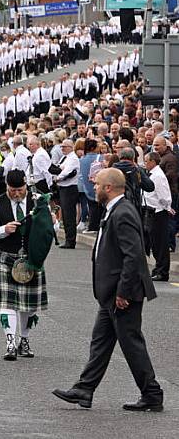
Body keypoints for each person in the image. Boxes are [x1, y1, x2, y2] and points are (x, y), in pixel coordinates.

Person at [53, 168, 163, 412]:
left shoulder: (122, 212)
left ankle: (152, 393)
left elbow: (133, 256)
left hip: (122, 294)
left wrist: (123, 292)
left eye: (97, 184)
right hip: (111, 294)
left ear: (108, 188)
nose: (94, 187)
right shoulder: (114, 210)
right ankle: (84, 388)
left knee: (131, 344)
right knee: (100, 343)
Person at [0, 170, 51, 360]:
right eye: (13, 190)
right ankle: (10, 342)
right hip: (6, 257)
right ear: (7, 187)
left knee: (28, 306)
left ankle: (25, 339)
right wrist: (4, 229)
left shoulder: (38, 201)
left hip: (31, 259)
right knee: (7, 302)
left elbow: (51, 229)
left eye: (20, 189)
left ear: (25, 187)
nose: (17, 194)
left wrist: (50, 223)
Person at [142, 151, 172, 282]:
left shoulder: (158, 176)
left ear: (153, 162)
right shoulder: (152, 174)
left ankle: (162, 271)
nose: (145, 163)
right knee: (154, 243)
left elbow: (163, 195)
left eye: (146, 161)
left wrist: (167, 207)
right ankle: (158, 269)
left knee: (160, 244)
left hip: (158, 212)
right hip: (151, 211)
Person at [54, 139, 80, 248]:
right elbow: (59, 167)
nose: (62, 148)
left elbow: (67, 171)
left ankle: (70, 240)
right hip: (64, 188)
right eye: (61, 146)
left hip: (69, 188)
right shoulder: (65, 157)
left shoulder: (73, 158)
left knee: (69, 215)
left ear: (70, 147)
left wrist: (57, 178)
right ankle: (68, 238)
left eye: (64, 146)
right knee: (65, 214)